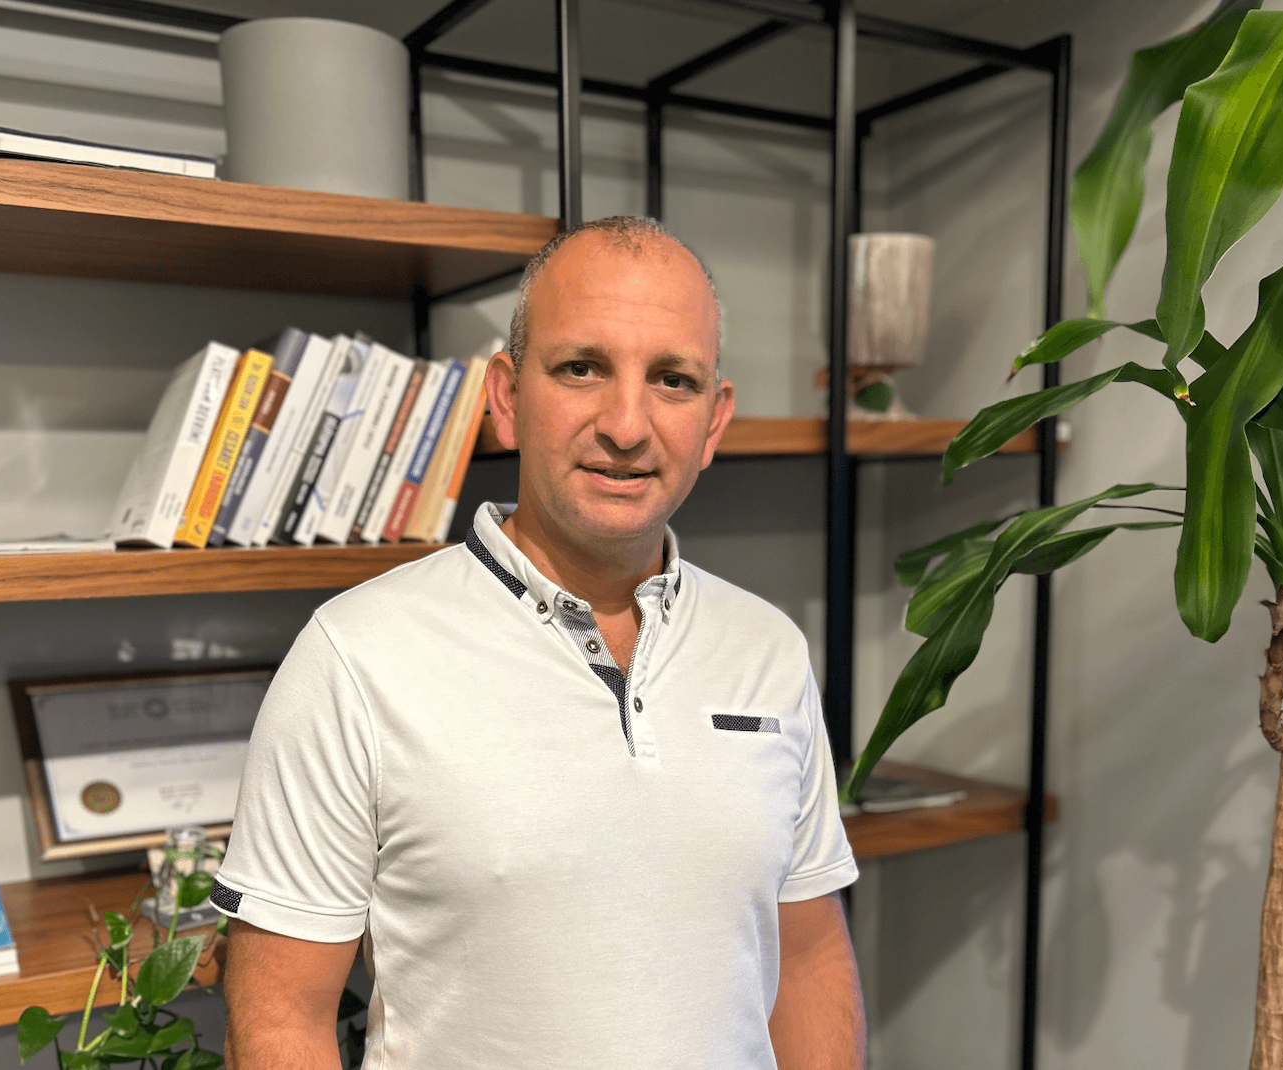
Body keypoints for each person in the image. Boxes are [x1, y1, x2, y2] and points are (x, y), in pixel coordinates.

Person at [213, 215, 866, 1069]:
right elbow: (279, 1019)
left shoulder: (768, 649)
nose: (627, 425)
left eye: (673, 380)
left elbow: (809, 956)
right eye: (581, 368)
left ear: (713, 422)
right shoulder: (354, 657)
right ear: (506, 399)